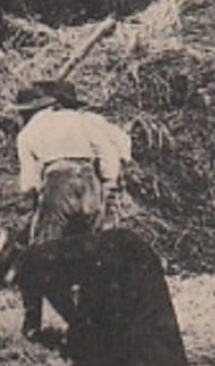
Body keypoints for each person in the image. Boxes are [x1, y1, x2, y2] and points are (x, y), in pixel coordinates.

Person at [13, 79, 132, 243]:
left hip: (58, 182)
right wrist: (109, 182)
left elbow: (29, 182)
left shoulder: (27, 133)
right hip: (89, 181)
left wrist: (32, 196)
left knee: (45, 244)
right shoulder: (80, 119)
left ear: (27, 112)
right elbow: (106, 150)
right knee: (90, 242)